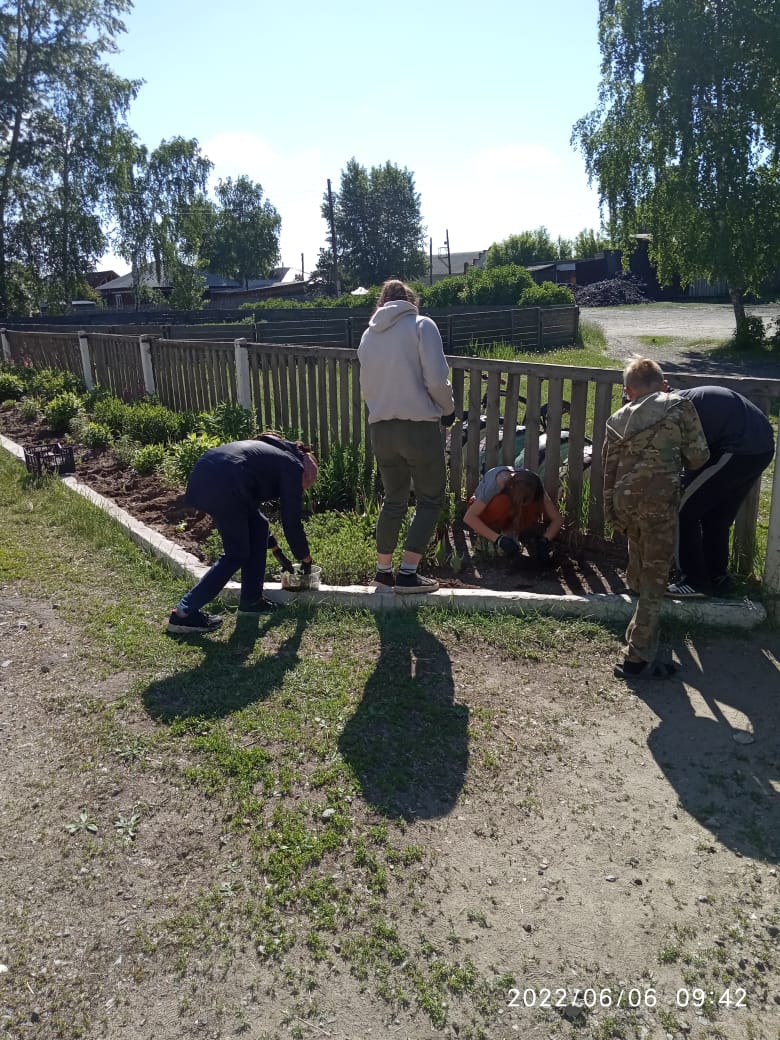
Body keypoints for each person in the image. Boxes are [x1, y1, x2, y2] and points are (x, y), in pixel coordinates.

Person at [603, 358, 709, 680]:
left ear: (627, 391)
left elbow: (608, 470)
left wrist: (611, 511)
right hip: (658, 504)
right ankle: (636, 657)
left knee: (639, 560)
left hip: (625, 502)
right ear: (663, 385)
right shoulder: (679, 407)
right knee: (656, 579)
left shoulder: (616, 419)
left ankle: (640, 622)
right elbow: (698, 456)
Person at [357, 279, 456, 594]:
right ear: (412, 300)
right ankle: (409, 574)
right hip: (418, 427)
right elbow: (437, 378)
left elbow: (367, 387)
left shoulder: (368, 336)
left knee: (394, 500)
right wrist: (447, 409)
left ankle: (383, 571)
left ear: (381, 303)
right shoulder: (421, 325)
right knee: (430, 499)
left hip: (381, 429)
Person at [167, 433, 318, 633]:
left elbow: (252, 509)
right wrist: (305, 558)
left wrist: (273, 545)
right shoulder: (294, 467)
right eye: (306, 486)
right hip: (226, 483)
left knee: (259, 526)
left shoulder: (276, 453)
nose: (303, 489)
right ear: (307, 474)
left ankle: (252, 600)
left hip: (208, 473)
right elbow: (291, 521)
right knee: (236, 553)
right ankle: (183, 613)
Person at [665, 385, 775, 598]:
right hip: (761, 448)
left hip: (738, 447)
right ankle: (718, 578)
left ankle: (694, 580)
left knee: (683, 509)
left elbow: (694, 459)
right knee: (716, 517)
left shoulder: (674, 409)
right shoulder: (684, 398)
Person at [463, 466, 563, 563]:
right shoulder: (499, 482)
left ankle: (511, 533)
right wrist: (499, 540)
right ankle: (489, 535)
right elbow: (469, 517)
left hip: (510, 514)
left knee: (534, 505)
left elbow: (557, 519)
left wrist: (544, 541)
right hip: (485, 513)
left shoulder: (535, 485)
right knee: (502, 502)